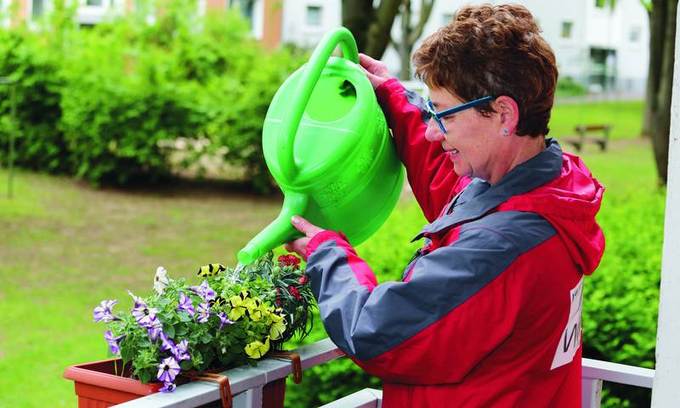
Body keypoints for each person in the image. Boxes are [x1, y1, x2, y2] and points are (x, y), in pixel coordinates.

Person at [285, 4, 605, 407]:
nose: (435, 132)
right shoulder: (541, 184)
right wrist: (393, 96)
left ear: (504, 113)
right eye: (432, 110)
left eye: (446, 115)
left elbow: (377, 330)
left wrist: (326, 253)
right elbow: (452, 182)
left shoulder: (502, 246)